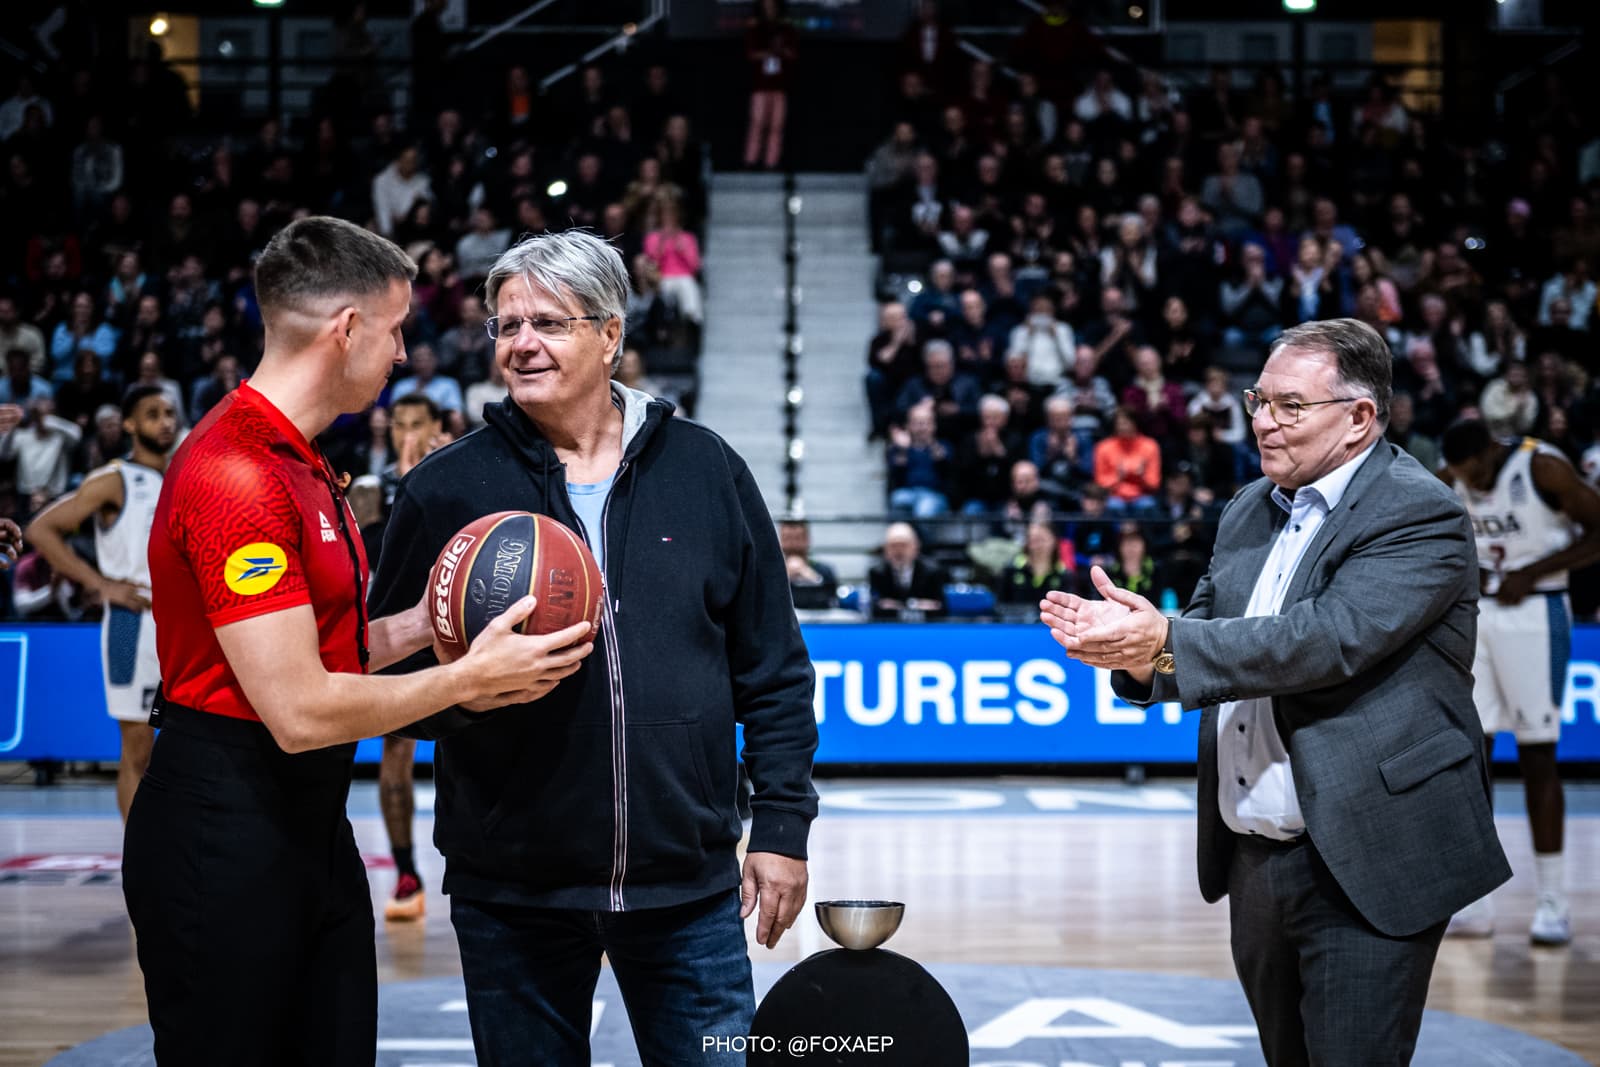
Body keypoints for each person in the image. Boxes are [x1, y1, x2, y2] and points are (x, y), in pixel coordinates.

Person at [123, 216, 595, 1066]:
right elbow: (301, 709)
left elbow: (327, 651)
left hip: (306, 822)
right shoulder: (237, 473)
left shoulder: (300, 462)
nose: (404, 354)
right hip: (224, 820)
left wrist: (428, 622)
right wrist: (468, 678)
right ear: (346, 330)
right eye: (394, 329)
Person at [366, 229, 817, 1067]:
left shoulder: (706, 469)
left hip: (688, 885)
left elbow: (775, 669)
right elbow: (385, 665)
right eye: (505, 326)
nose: (522, 344)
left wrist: (782, 826)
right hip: (513, 889)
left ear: (611, 334)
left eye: (549, 322)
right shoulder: (445, 487)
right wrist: (468, 690)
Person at [1040, 319, 1509, 1065]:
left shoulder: (1420, 512)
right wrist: (1130, 654)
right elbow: (1201, 636)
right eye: (1260, 399)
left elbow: (1325, 640)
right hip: (1256, 857)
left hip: (1368, 850)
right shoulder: (1248, 507)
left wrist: (1164, 638)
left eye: (1290, 406)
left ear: (1359, 418)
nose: (1260, 419)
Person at [1442, 419, 1600, 946]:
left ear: (1493, 449)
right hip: (1479, 616)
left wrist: (1534, 572)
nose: (1477, 485)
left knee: (1537, 756)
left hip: (1538, 609)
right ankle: (1476, 899)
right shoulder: (1451, 477)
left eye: (1481, 473)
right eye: (1468, 478)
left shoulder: (1543, 467)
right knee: (1472, 756)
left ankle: (1553, 901)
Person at [24, 386, 177, 820]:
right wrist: (101, 585)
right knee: (137, 750)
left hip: (180, 628)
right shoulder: (114, 479)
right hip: (132, 625)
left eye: (169, 413)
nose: (165, 421)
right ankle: (137, 861)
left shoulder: (181, 477)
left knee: (185, 753)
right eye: (152, 414)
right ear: (129, 424)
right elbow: (41, 530)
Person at [376, 391, 452, 922]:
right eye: (398, 422)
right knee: (396, 751)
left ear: (436, 425)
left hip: (460, 623)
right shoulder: (363, 489)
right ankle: (406, 872)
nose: (406, 432)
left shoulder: (463, 472)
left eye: (415, 422)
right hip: (402, 626)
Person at [868, 521, 947, 620]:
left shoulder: (932, 571)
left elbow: (940, 608)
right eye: (893, 546)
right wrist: (917, 606)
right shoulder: (877, 572)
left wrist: (898, 606)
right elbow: (875, 609)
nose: (898, 551)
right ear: (885, 549)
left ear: (916, 546)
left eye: (903, 545)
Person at [779, 517, 839, 611]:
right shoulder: (773, 571)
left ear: (807, 539)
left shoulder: (824, 571)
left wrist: (809, 575)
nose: (792, 544)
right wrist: (784, 575)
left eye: (797, 538)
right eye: (787, 538)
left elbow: (832, 601)